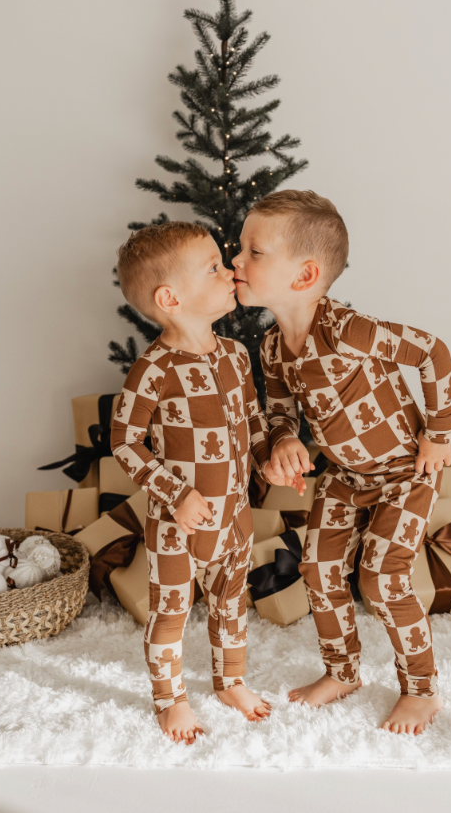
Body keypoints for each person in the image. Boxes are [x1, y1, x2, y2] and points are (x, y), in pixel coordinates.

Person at [232, 190, 451, 735]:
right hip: (346, 475)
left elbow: (432, 351)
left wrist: (439, 434)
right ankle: (342, 671)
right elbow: (281, 413)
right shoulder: (271, 347)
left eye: (252, 252)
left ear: (305, 275)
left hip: (405, 471)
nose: (234, 261)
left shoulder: (349, 331)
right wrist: (284, 443)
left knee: (382, 578)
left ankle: (421, 690)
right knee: (318, 567)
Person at [110, 220, 277, 743]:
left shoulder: (234, 356)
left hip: (234, 515)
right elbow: (124, 442)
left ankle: (230, 681)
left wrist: (275, 455)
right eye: (212, 268)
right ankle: (171, 700)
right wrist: (177, 495)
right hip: (177, 522)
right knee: (171, 612)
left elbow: (253, 425)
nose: (229, 272)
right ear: (170, 297)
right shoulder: (153, 370)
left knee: (232, 602)